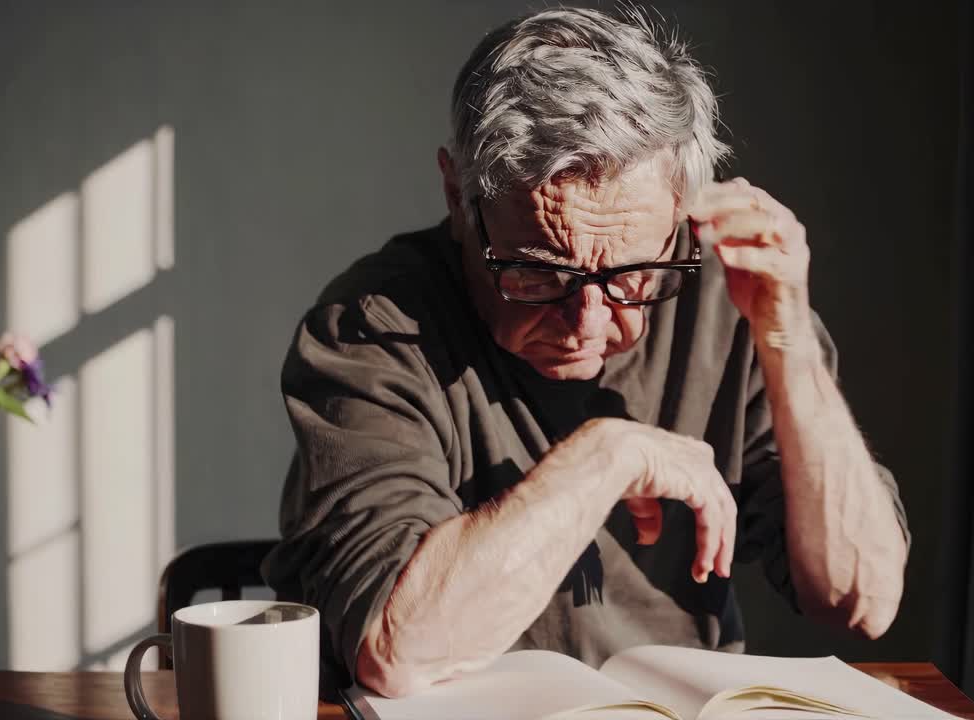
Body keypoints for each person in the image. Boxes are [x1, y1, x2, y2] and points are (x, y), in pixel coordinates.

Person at [263, 6, 910, 699]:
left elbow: (860, 599)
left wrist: (788, 338)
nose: (588, 322)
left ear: (679, 211)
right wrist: (608, 455)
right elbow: (399, 651)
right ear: (457, 196)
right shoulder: (374, 328)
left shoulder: (731, 299)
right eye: (540, 273)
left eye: (632, 275)